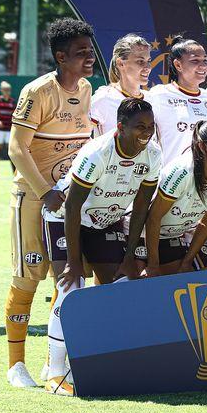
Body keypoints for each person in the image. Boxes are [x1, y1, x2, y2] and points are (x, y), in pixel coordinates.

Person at [43, 98, 161, 395]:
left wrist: (131, 255)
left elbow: (142, 207)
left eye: (150, 126)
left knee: (118, 287)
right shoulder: (98, 153)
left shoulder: (153, 155)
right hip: (65, 218)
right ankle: (55, 373)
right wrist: (73, 261)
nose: (145, 133)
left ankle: (102, 361)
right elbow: (71, 207)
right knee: (71, 287)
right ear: (120, 127)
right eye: (139, 127)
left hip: (106, 222)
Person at [4, 17, 94, 389]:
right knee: (28, 277)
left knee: (66, 275)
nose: (89, 58)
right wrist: (45, 191)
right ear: (61, 57)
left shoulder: (88, 89)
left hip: (68, 202)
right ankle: (15, 366)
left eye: (90, 51)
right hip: (34, 198)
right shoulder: (38, 92)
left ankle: (52, 362)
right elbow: (16, 147)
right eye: (80, 53)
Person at [143, 119, 207, 276]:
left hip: (176, 235)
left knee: (202, 274)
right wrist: (153, 265)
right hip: (144, 233)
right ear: (202, 147)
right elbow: (153, 218)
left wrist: (187, 260)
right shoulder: (183, 171)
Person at [145, 37, 207, 165]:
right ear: (178, 65)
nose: (203, 66)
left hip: (204, 179)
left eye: (205, 60)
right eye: (195, 61)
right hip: (169, 179)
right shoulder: (159, 94)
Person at [89, 34, 152, 136]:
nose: (148, 67)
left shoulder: (151, 99)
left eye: (148, 61)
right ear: (120, 63)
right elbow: (82, 139)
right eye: (140, 61)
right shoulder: (104, 98)